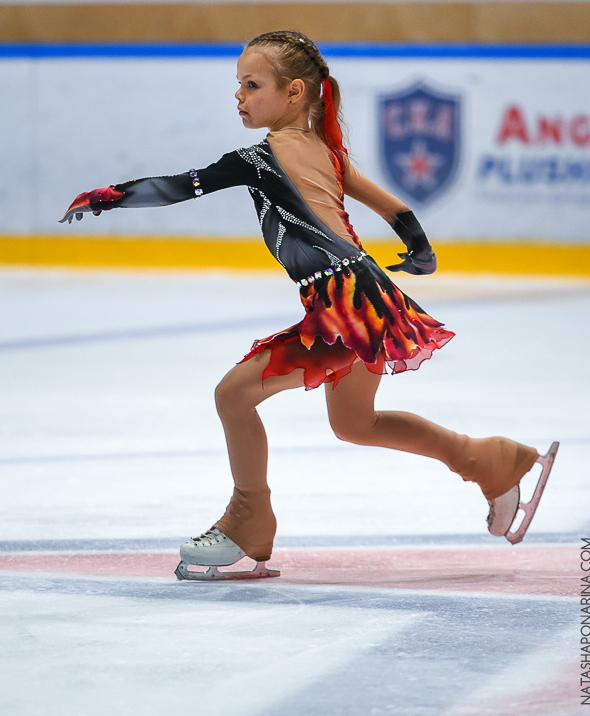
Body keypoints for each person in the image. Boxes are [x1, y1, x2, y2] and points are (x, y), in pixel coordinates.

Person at [60, 30, 558, 581]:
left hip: (344, 305)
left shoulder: (258, 159)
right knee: (356, 423)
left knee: (233, 394)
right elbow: (399, 212)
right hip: (365, 297)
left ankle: (249, 520)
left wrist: (108, 196)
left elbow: (181, 186)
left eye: (252, 85)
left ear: (294, 92)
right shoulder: (329, 153)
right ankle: (491, 461)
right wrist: (419, 252)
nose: (239, 96)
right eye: (238, 86)